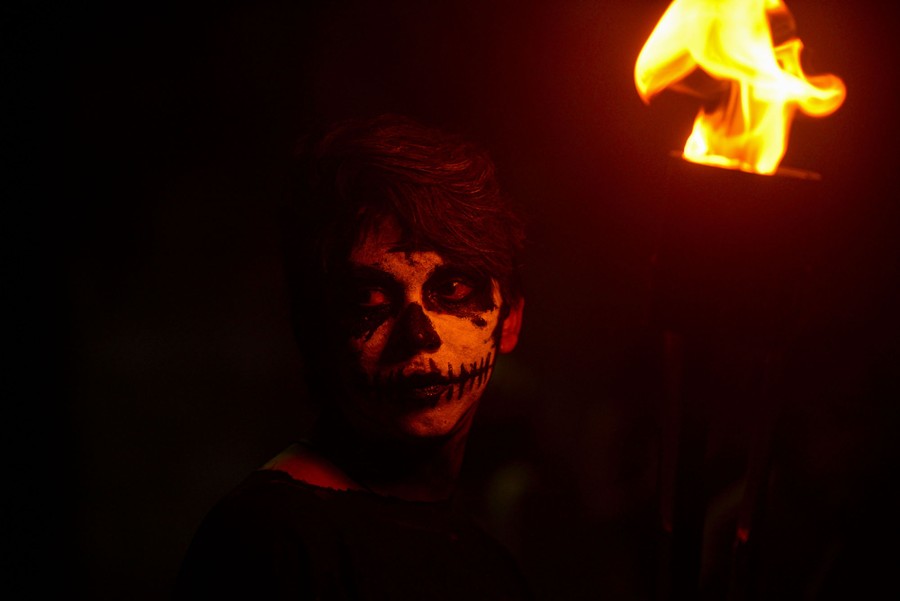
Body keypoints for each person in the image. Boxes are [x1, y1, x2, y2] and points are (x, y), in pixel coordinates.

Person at [173, 114, 530, 599]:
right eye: (369, 298)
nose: (418, 337)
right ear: (314, 325)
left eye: (452, 288)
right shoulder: (270, 542)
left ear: (509, 320)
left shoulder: (485, 562)